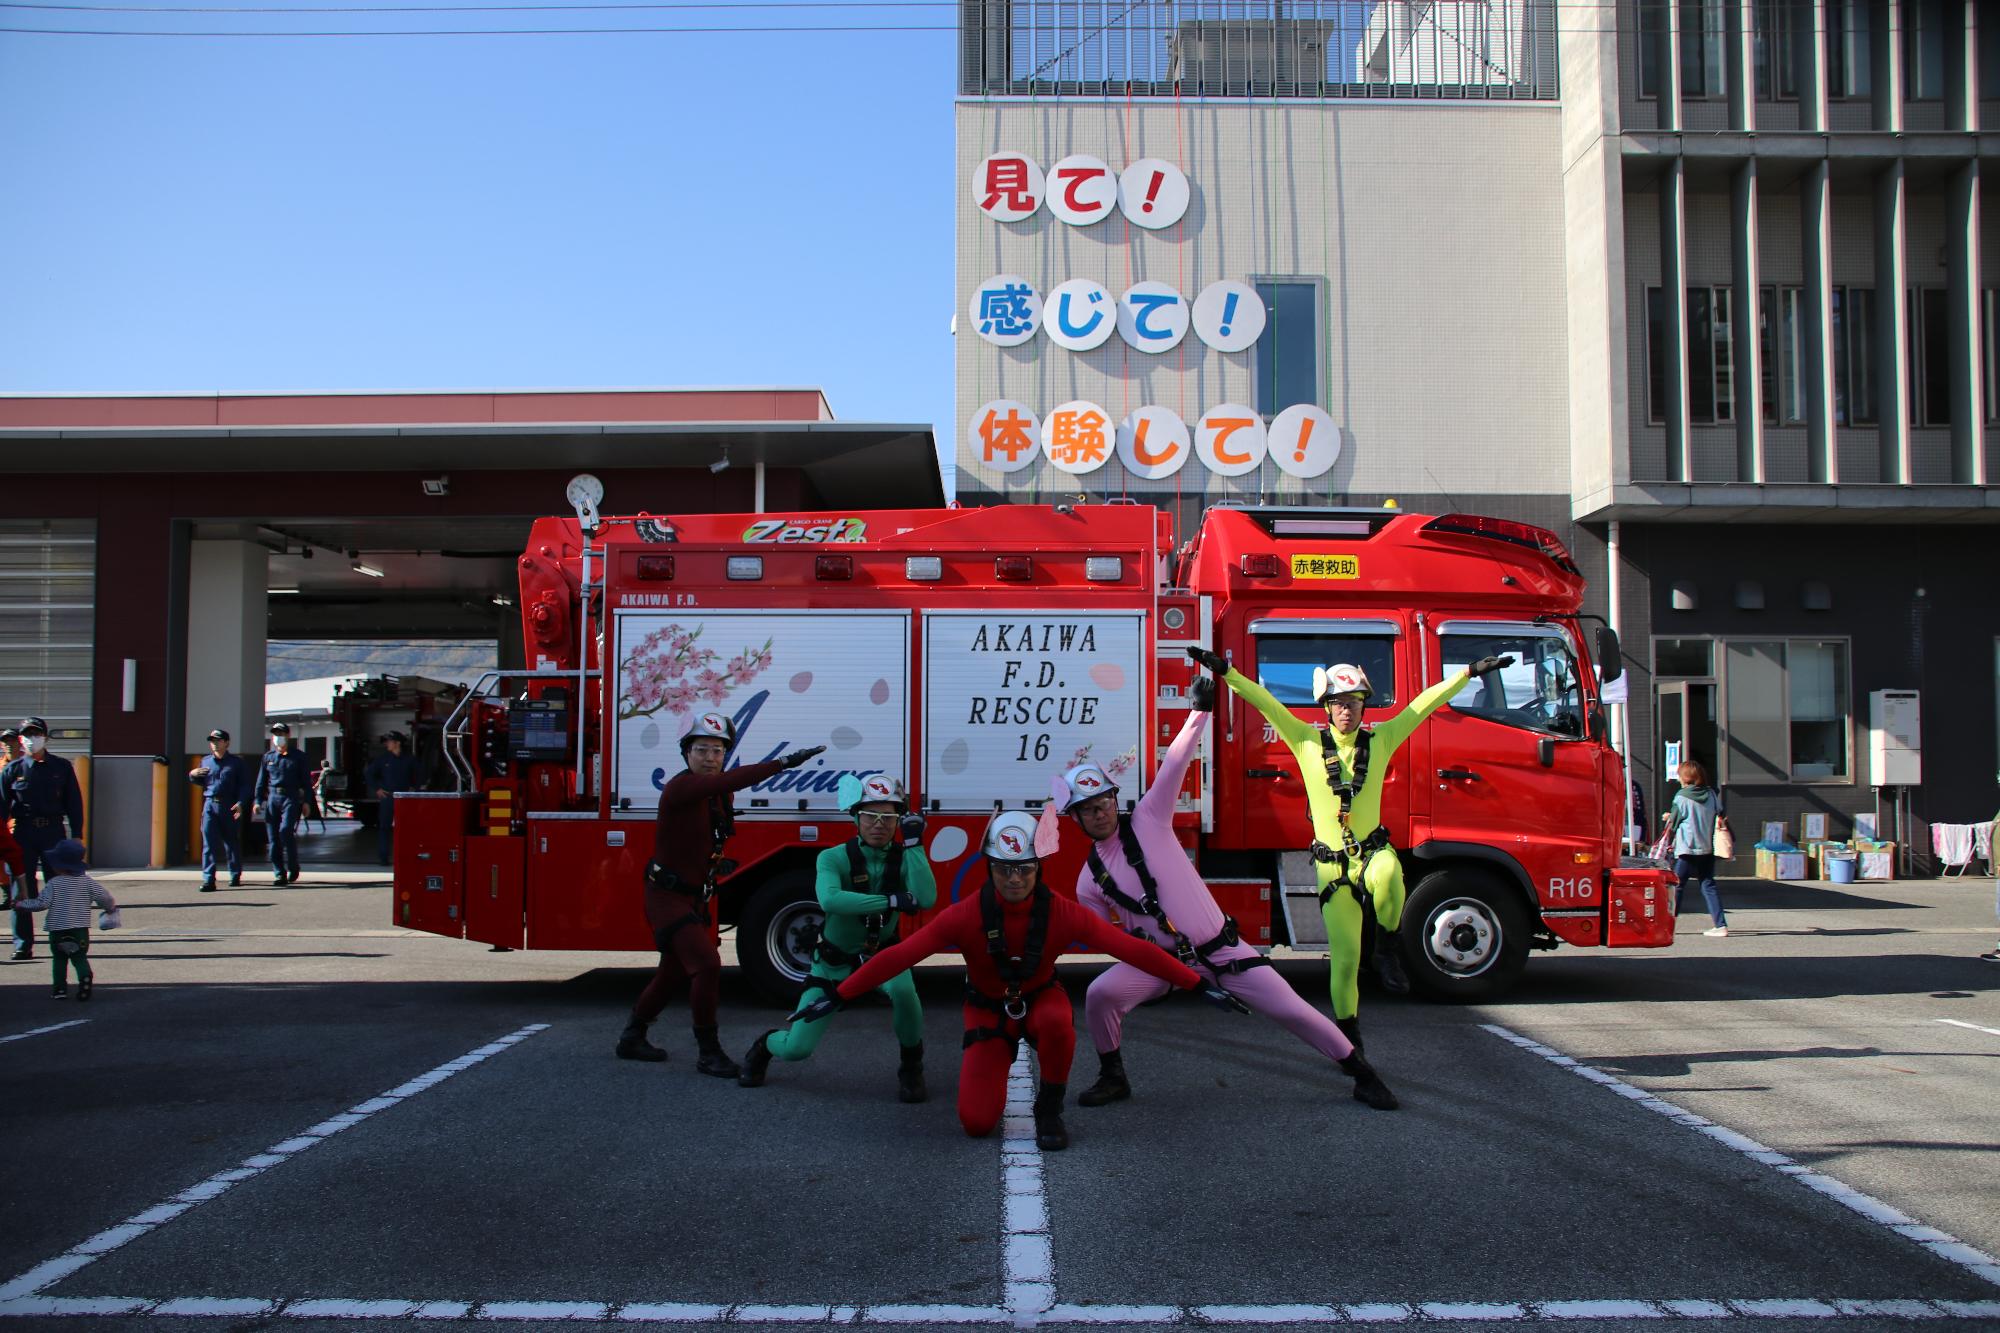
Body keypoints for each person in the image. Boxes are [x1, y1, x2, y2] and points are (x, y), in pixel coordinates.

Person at [800, 811, 1237, 1152]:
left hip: (1038, 998)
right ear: (989, 867)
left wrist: (1198, 984)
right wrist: (839, 993)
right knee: (975, 1123)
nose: (1014, 879)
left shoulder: (1063, 911)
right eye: (1004, 869)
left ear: (1038, 869)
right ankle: (999, 1062)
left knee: (1057, 1025)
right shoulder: (965, 914)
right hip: (987, 1009)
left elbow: (1133, 949)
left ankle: (1050, 1111)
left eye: (1023, 869)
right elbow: (899, 955)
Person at [1056, 676, 1398, 1112]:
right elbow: (1110, 942)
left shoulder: (1149, 818)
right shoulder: (1088, 881)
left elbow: (1174, 764)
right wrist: (1154, 960)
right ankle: (1112, 1075)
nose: (1099, 812)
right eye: (1087, 808)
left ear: (1113, 799)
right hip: (1163, 966)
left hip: (1224, 953)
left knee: (1292, 1010)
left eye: (1102, 801)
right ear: (1075, 818)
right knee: (1101, 994)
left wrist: (1199, 712)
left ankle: (1361, 1072)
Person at [1190, 647, 1513, 1059]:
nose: (1347, 711)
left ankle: (1388, 949)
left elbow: (1422, 704)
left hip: (1372, 853)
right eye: (1340, 704)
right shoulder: (1305, 739)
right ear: (1326, 707)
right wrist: (1227, 672)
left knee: (1390, 877)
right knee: (1344, 962)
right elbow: (1263, 700)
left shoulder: (1381, 739)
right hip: (1331, 866)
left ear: (1364, 706)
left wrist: (1468, 672)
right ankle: (1350, 1036)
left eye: (1355, 703)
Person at [616, 711, 825, 1074]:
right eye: (702, 749)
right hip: (667, 897)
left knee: (674, 971)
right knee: (708, 966)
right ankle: (708, 1052)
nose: (710, 758)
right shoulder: (682, 787)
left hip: (693, 895)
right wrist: (784, 763)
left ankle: (632, 1037)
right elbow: (731, 781)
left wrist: (716, 864)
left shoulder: (717, 794)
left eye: (717, 750)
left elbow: (707, 834)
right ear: (686, 753)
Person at [738, 772, 936, 1100]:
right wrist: (890, 900)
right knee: (797, 1050)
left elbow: (926, 897)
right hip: (832, 965)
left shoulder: (903, 858)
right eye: (870, 815)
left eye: (889, 816)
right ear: (855, 817)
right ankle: (766, 1045)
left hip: (882, 957)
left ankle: (911, 1065)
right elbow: (830, 900)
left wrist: (915, 845)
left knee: (905, 993)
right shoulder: (831, 858)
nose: (879, 824)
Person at [2, 717, 87, 963]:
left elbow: (74, 803)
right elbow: (1, 808)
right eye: (27, 735)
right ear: (20, 740)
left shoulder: (61, 767)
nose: (31, 739)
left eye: (36, 734)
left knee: (60, 889)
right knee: (22, 891)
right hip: (23, 834)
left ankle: (63, 940)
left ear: (45, 738)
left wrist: (78, 836)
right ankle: (22, 944)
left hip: (53, 834)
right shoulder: (13, 770)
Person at [12, 839, 114, 999]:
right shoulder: (88, 882)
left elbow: (41, 903)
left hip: (57, 929)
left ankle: (60, 989)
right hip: (80, 929)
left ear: (58, 864)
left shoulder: (54, 883)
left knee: (59, 959)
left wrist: (22, 905)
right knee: (79, 957)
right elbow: (105, 897)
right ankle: (85, 978)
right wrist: (110, 909)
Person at [1664, 759, 1727, 937]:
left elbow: (1675, 823)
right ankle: (1720, 925)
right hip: (1707, 848)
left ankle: (1670, 925)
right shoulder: (1712, 795)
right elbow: (1720, 813)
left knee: (1677, 887)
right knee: (1708, 885)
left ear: (1685, 778)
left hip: (1686, 849)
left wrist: (1668, 817)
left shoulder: (1681, 797)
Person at [187, 729, 250, 892]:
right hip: (210, 804)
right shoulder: (206, 761)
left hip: (229, 805)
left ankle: (235, 874)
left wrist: (241, 802)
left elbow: (244, 785)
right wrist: (192, 774)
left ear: (226, 743)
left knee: (231, 841)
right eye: (212, 740)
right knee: (209, 843)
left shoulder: (236, 763)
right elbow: (201, 781)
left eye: (218, 740)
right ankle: (208, 879)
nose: (214, 743)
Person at [253, 722, 313, 886]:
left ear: (288, 735)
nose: (278, 737)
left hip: (291, 797)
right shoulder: (268, 757)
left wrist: (307, 802)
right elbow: (261, 781)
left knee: (285, 830)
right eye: (275, 734)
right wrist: (257, 801)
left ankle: (293, 865)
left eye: (281, 734)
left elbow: (307, 783)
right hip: (273, 797)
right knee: (273, 838)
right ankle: (279, 872)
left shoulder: (299, 757)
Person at [364, 731, 422, 866]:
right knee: (384, 827)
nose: (387, 744)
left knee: (406, 828)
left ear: (398, 743)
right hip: (388, 798)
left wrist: (415, 789)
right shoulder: (383, 759)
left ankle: (406, 856)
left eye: (389, 741)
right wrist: (377, 788)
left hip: (404, 799)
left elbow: (420, 775)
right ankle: (383, 857)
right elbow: (369, 774)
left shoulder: (409, 759)